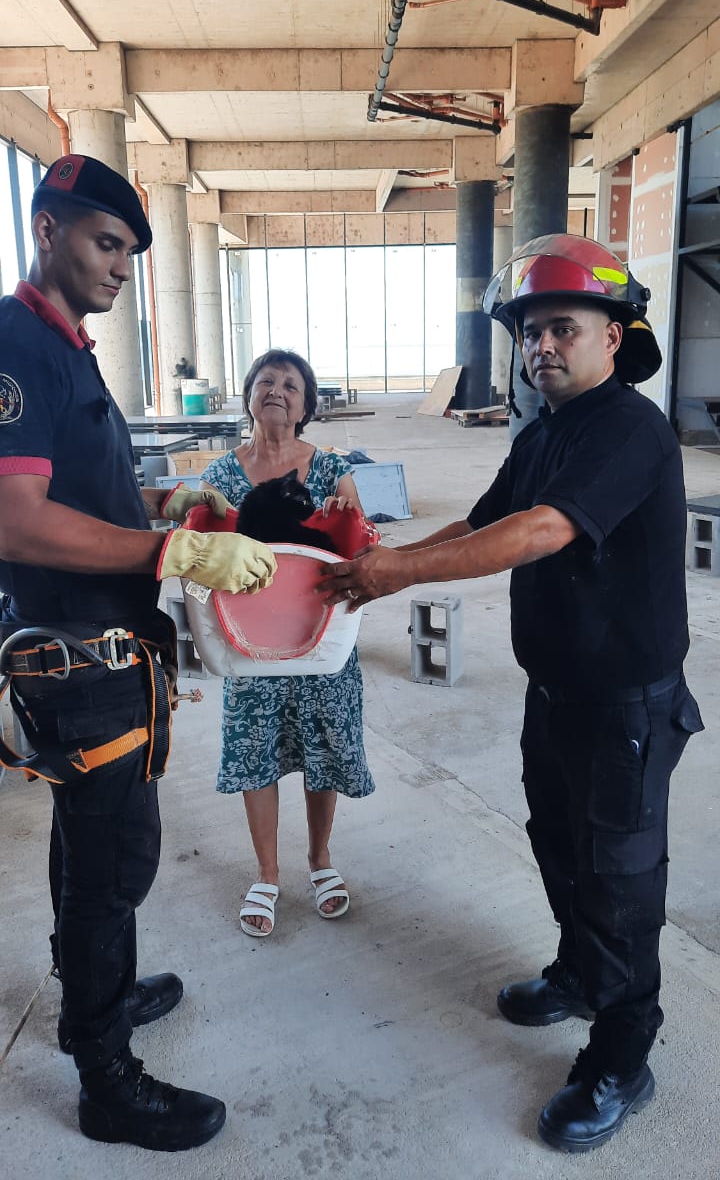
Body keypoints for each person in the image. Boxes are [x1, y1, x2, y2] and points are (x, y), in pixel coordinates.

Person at [318, 233, 704, 1154]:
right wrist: (385, 560)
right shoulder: (544, 432)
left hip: (625, 709)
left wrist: (399, 574)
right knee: (560, 845)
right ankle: (578, 976)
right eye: (530, 333)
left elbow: (537, 532)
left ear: (615, 334)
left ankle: (622, 1055)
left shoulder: (628, 429)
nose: (541, 347)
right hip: (557, 694)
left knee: (619, 880)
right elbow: (484, 521)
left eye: (562, 327)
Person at [0, 153, 276, 1151]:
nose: (122, 265)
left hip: (112, 653)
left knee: (88, 843)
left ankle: (91, 994)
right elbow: (17, 521)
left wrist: (166, 505)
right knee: (118, 860)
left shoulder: (70, 350)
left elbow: (84, 493)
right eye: (105, 241)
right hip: (75, 658)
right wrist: (172, 547)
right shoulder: (17, 339)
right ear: (47, 228)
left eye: (130, 251)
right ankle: (106, 1077)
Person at [201, 348, 374, 937]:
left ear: (307, 405)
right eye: (266, 381)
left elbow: (360, 543)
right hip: (249, 641)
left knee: (323, 750)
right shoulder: (221, 475)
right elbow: (202, 545)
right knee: (256, 754)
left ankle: (320, 860)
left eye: (291, 385)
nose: (277, 390)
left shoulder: (329, 467)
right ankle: (267, 873)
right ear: (248, 393)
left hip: (321, 637)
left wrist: (345, 514)